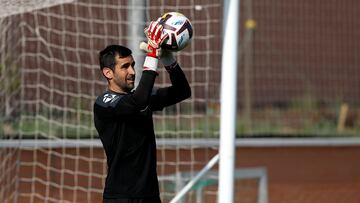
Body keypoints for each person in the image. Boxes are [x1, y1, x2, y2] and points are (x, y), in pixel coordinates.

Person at [93, 20, 191, 203]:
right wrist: (152, 55)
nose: (132, 71)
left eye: (132, 65)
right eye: (124, 67)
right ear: (108, 73)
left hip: (150, 196)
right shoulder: (105, 103)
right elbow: (138, 101)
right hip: (120, 197)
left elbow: (183, 91)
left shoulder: (141, 98)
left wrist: (168, 59)